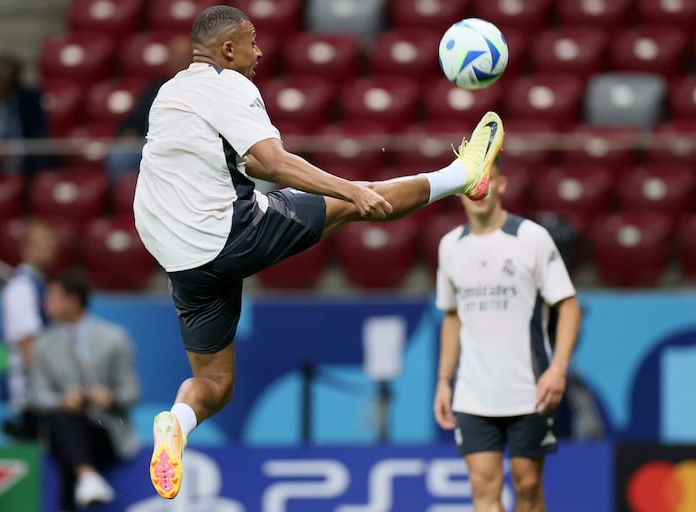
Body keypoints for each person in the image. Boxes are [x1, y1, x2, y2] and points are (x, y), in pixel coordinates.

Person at [133, 5, 504, 499]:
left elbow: (231, 159)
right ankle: (465, 176)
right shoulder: (229, 85)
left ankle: (176, 422)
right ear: (227, 50)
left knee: (215, 381)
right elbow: (272, 162)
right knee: (354, 204)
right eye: (252, 40)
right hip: (224, 233)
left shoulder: (170, 92)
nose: (259, 50)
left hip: (177, 255)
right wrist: (349, 190)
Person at [432, 159, 582, 512]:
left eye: (487, 181)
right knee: (483, 488)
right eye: (471, 183)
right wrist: (443, 380)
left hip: (529, 389)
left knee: (527, 485)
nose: (478, 190)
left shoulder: (531, 237)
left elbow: (569, 307)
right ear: (459, 192)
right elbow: (452, 316)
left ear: (502, 185)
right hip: (473, 393)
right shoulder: (449, 246)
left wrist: (558, 370)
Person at [32, 270, 140, 510]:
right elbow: (37, 395)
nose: (45, 303)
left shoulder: (114, 338)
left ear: (73, 300)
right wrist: (63, 400)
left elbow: (132, 391)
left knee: (65, 439)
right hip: (66, 424)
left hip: (105, 428)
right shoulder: (43, 344)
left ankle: (85, 477)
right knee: (63, 421)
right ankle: (87, 476)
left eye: (53, 297)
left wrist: (109, 397)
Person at [0, 219, 57, 440]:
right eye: (42, 245)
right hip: (30, 391)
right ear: (25, 248)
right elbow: (28, 344)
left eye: (51, 245)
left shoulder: (40, 285)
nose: (49, 251)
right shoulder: (21, 288)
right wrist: (49, 388)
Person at [106, 36, 193, 184]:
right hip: (149, 146)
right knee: (120, 155)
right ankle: (123, 202)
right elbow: (132, 121)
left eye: (182, 57)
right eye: (174, 56)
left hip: (185, 148)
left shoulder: (200, 89)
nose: (177, 61)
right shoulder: (154, 89)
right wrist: (128, 133)